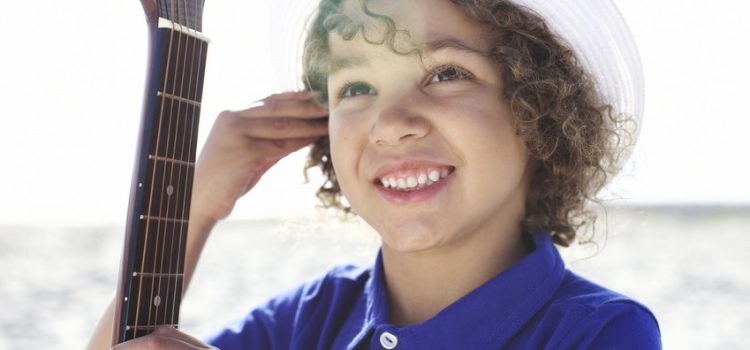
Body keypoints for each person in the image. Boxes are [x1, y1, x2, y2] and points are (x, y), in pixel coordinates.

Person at [88, 0, 661, 348]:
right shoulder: (309, 321)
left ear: (539, 110)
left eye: (444, 74)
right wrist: (194, 202)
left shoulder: (601, 334)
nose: (390, 124)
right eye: (356, 88)